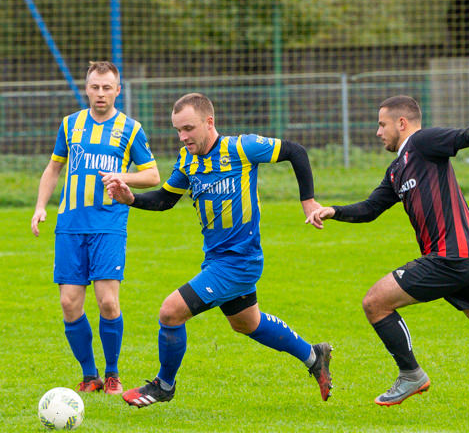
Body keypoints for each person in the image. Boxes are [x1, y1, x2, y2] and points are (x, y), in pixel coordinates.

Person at [305, 95, 469, 413]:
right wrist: (333, 211)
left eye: (381, 124)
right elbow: (371, 209)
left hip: (450, 256)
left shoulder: (423, 143)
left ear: (402, 123)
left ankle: (411, 374)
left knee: (375, 302)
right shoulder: (397, 169)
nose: (377, 132)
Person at [102, 92, 333, 408]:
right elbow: (165, 200)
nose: (183, 137)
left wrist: (307, 200)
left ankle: (164, 385)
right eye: (178, 131)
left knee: (170, 312)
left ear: (209, 122)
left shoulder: (241, 148)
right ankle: (313, 355)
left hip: (240, 262)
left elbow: (296, 151)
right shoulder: (188, 161)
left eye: (188, 128)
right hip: (217, 260)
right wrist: (131, 200)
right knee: (246, 323)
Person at [31, 61, 160, 395]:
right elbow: (53, 168)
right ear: (85, 88)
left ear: (118, 90)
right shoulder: (70, 124)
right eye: (94, 87)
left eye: (107, 87)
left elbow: (152, 175)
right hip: (71, 224)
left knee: (107, 303)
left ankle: (113, 373)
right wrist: (40, 207)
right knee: (69, 304)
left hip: (108, 224)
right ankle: (90, 376)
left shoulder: (131, 129)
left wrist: (123, 176)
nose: (100, 93)